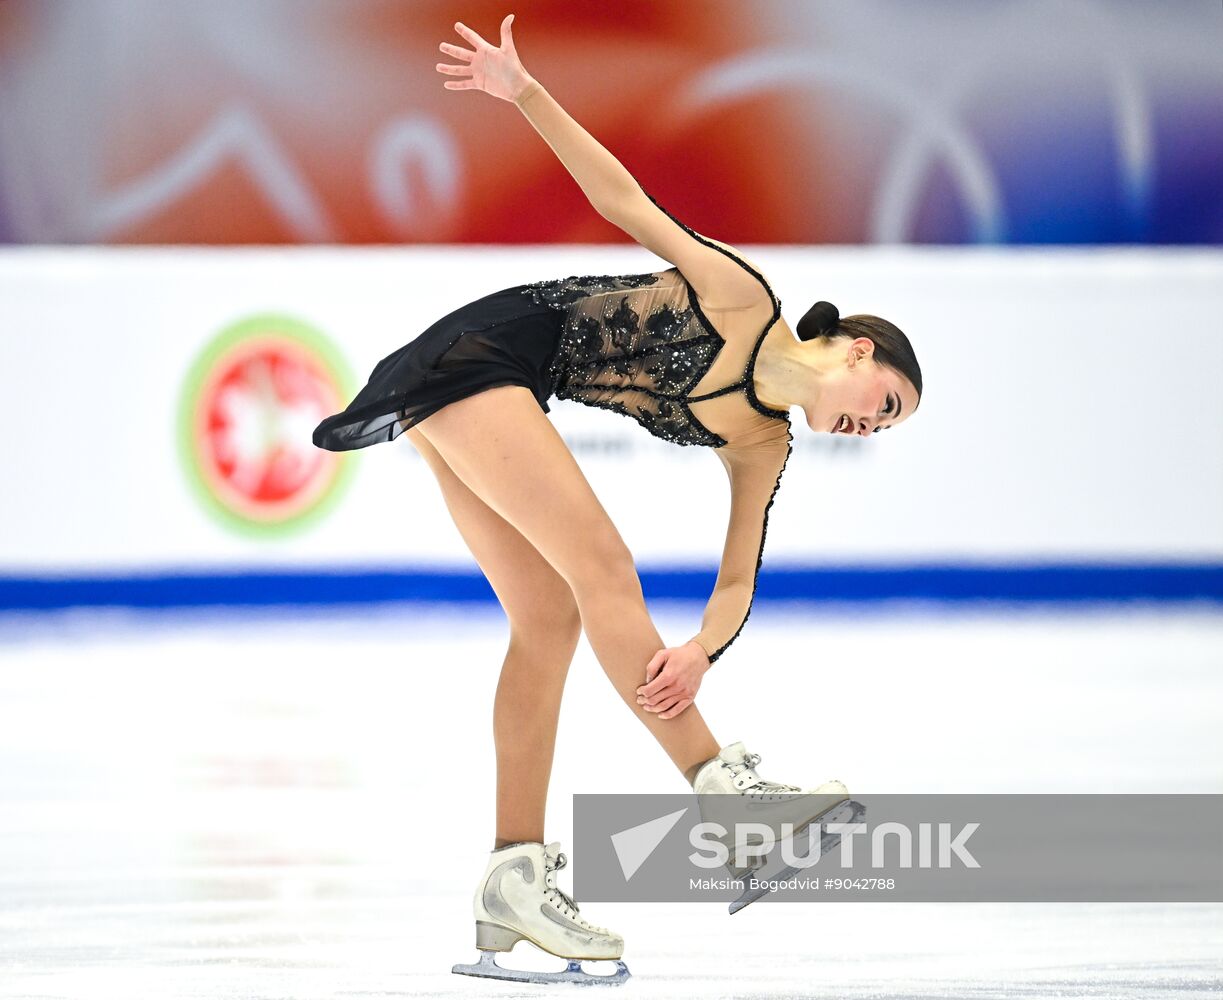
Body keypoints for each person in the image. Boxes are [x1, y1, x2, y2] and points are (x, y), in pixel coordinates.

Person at [312, 14, 922, 986]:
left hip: (484, 388)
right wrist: (523, 90)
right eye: (881, 403)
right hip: (480, 356)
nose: (870, 423)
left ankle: (512, 878)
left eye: (885, 428)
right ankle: (728, 803)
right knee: (601, 569)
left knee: (549, 615)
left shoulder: (760, 442)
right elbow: (621, 197)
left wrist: (698, 650)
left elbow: (735, 577)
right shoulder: (740, 298)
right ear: (855, 349)